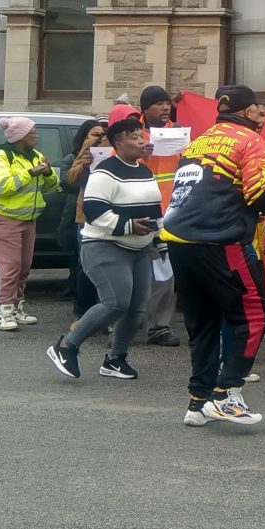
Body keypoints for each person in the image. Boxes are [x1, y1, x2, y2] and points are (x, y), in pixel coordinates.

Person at [161, 85, 265, 427]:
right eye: (260, 112)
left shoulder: (199, 141)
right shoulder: (251, 142)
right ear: (247, 112)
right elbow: (261, 194)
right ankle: (225, 394)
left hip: (178, 239)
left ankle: (198, 402)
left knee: (202, 321)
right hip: (220, 239)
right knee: (255, 313)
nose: (263, 118)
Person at [46, 116, 160, 381]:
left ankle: (115, 360)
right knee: (115, 303)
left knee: (137, 309)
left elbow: (154, 209)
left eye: (141, 136)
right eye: (133, 137)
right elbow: (94, 210)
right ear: (118, 144)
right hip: (105, 245)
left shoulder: (145, 170)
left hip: (140, 249)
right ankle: (66, 346)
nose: (141, 141)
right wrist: (129, 226)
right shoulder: (104, 171)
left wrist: (159, 239)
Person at [0, 117, 61, 332]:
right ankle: (4, 311)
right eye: (32, 132)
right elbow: (0, 186)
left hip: (28, 218)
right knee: (10, 267)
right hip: (3, 217)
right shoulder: (2, 157)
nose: (36, 136)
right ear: (19, 136)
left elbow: (53, 185)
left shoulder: (35, 156)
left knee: (24, 266)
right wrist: (30, 173)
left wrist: (47, 172)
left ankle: (17, 307)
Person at [136, 86, 183, 348]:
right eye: (159, 104)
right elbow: (115, 164)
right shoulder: (132, 135)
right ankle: (125, 321)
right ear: (145, 109)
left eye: (168, 103)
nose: (166, 108)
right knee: (133, 273)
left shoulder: (178, 133)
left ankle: (159, 328)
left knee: (165, 274)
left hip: (171, 215)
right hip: (140, 215)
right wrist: (138, 154)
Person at [60, 119, 109, 321]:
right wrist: (85, 166)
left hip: (111, 214)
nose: (99, 137)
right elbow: (71, 178)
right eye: (94, 134)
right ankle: (82, 312)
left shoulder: (116, 147)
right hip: (86, 215)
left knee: (107, 266)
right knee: (85, 266)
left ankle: (106, 312)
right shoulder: (88, 149)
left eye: (102, 134)